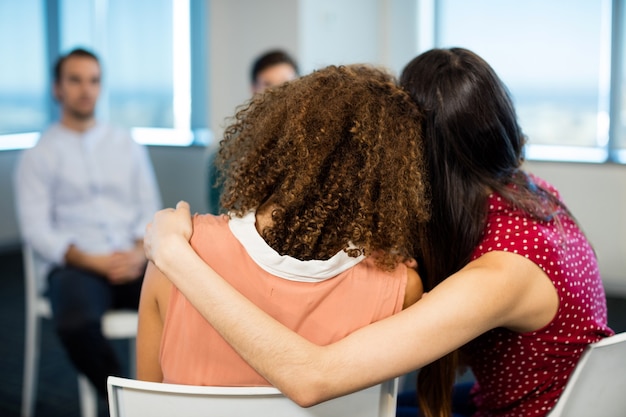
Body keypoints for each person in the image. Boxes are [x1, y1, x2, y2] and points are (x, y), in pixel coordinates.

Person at [142, 48, 614, 417]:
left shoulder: (502, 274)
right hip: (537, 394)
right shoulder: (532, 193)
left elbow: (311, 379)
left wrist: (175, 256)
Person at [136, 64, 428, 384]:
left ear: (280, 140)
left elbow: (144, 402)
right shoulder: (400, 288)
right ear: (393, 179)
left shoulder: (176, 247)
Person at [13, 48, 162, 398]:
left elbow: (150, 209)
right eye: (75, 80)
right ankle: (126, 401)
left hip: (131, 259)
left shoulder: (127, 145)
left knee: (189, 298)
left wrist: (139, 253)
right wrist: (88, 259)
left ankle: (174, 393)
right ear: (57, 89)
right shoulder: (37, 155)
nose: (85, 89)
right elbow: (37, 230)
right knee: (76, 324)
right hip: (76, 266)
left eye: (93, 80)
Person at [207, 49, 300, 214]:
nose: (279, 92)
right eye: (268, 85)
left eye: (287, 84)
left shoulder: (314, 142)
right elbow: (221, 214)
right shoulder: (226, 155)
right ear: (254, 90)